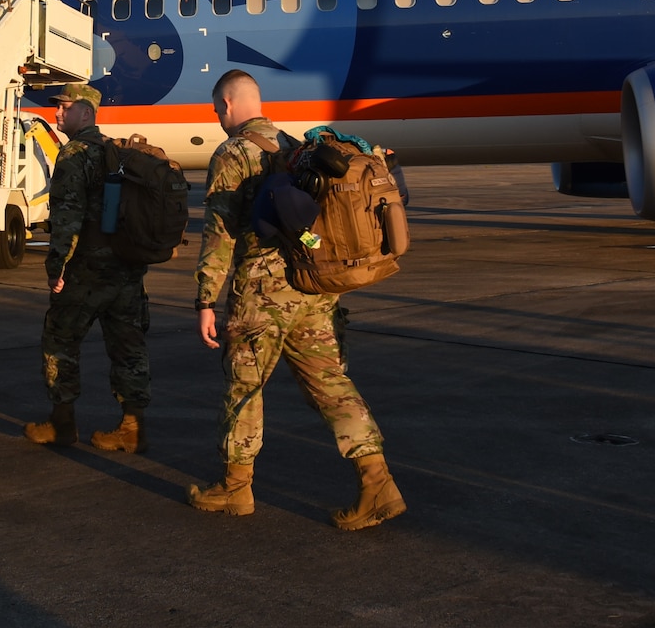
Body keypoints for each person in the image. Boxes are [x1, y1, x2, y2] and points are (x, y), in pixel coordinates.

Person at [189, 70, 406, 531]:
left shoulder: (234, 152)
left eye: (215, 109)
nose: (217, 117)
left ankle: (235, 488)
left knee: (245, 388)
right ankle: (377, 482)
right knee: (330, 383)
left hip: (260, 297)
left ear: (227, 105)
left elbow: (221, 231)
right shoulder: (296, 148)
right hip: (312, 287)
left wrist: (206, 299)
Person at [23, 83, 152, 452]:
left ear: (85, 112)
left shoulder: (74, 155)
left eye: (64, 107)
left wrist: (55, 267)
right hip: (126, 270)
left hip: (86, 272)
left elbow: (67, 219)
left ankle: (63, 422)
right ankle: (133, 427)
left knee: (60, 342)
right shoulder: (116, 151)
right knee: (128, 347)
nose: (57, 113)